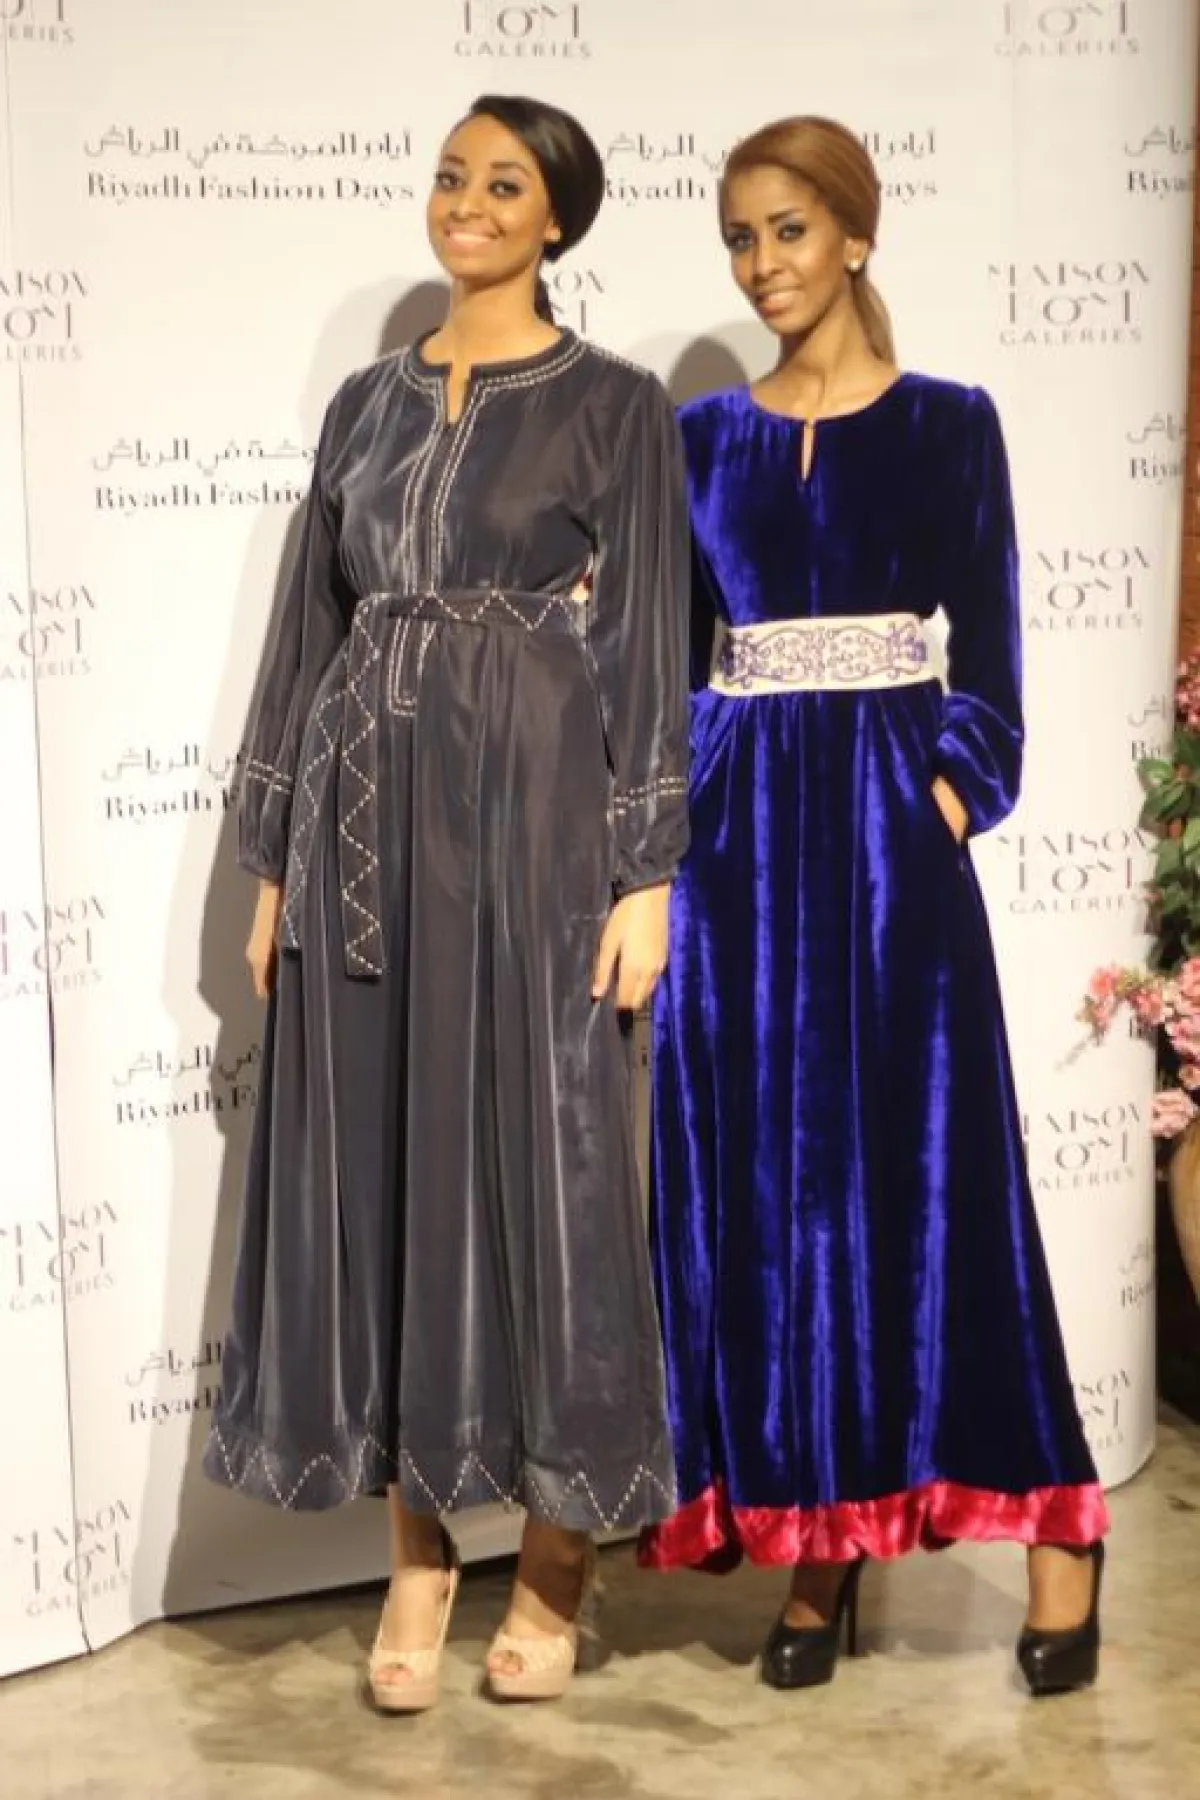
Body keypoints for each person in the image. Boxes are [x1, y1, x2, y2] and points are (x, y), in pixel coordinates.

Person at [203, 93, 689, 1712]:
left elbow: (646, 646)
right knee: (389, 1166)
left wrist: (645, 874)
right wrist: (272, 861)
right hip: (363, 817)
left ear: (557, 217)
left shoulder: (614, 405)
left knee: (550, 1166)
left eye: (504, 183)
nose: (466, 203)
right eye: (450, 175)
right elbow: (307, 630)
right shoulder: (366, 403)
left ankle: (557, 1551)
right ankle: (422, 1549)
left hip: (535, 813)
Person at [641, 115, 1108, 1698]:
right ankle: (818, 1541)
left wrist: (946, 797)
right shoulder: (699, 440)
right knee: (776, 1205)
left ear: (855, 233)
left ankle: (1058, 1530)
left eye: (788, 230)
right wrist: (673, 837)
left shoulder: (951, 424)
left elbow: (996, 661)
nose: (762, 264)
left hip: (893, 852)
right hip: (736, 858)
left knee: (941, 1189)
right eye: (739, 237)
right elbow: (670, 662)